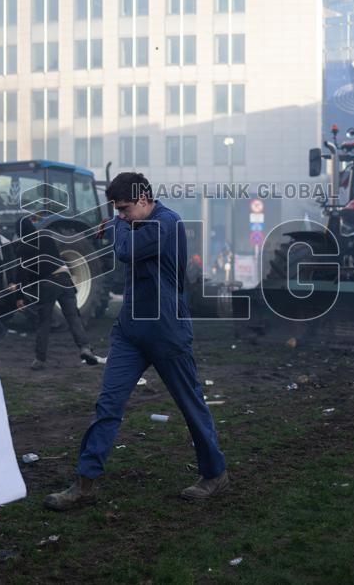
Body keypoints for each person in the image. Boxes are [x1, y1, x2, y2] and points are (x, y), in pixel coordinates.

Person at [44, 173, 228, 510]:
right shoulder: (133, 223)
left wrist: (115, 225)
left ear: (144, 198)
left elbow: (126, 251)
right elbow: (123, 248)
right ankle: (84, 483)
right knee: (108, 405)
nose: (122, 213)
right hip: (130, 332)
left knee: (190, 405)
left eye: (125, 208)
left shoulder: (166, 223)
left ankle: (214, 473)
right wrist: (118, 223)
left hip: (167, 332)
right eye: (117, 209)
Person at [13, 213, 104, 369]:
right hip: (64, 279)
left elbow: (23, 275)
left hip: (47, 284)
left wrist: (19, 296)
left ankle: (40, 359)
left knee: (44, 322)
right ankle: (85, 348)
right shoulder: (46, 237)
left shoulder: (22, 248)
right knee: (73, 317)